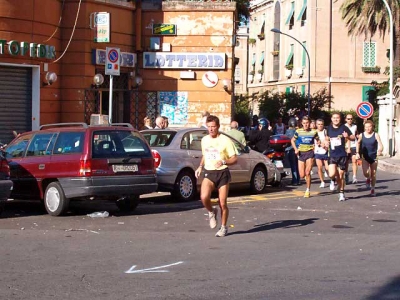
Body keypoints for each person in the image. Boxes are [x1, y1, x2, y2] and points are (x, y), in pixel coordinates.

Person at [195, 115, 238, 237]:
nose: (211, 129)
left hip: (222, 172)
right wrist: (200, 166)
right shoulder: (205, 140)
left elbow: (234, 158)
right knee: (204, 197)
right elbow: (205, 155)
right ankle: (211, 211)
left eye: (213, 127)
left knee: (222, 203)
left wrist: (224, 161)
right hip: (209, 172)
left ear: (218, 127)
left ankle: (224, 227)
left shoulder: (225, 140)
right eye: (209, 127)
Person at [325, 112, 355, 201]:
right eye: (334, 118)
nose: (336, 119)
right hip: (333, 155)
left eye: (337, 118)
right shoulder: (329, 128)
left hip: (342, 155)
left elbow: (353, 137)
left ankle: (341, 193)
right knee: (331, 174)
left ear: (340, 119)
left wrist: (348, 136)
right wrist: (326, 142)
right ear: (331, 119)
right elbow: (327, 138)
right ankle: (332, 180)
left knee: (341, 176)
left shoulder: (344, 127)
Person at [291, 116, 319, 197]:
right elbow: (292, 140)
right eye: (304, 123)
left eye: (307, 123)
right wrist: (295, 149)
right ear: (301, 124)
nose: (306, 125)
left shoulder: (314, 132)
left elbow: (318, 140)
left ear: (309, 123)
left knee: (307, 172)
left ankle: (307, 190)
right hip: (301, 153)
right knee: (302, 175)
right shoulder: (298, 131)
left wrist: (321, 144)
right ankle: (307, 178)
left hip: (310, 153)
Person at [355, 120, 383, 196]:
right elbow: (358, 143)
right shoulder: (362, 135)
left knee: (373, 174)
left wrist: (380, 150)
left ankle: (372, 189)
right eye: (366, 127)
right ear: (364, 127)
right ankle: (367, 178)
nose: (368, 128)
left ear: (372, 127)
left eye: (369, 127)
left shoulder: (376, 135)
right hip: (365, 157)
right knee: (366, 173)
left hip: (374, 157)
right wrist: (357, 153)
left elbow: (380, 144)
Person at [285, 117, 300, 185]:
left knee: (293, 165)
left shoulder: (288, 131)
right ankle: (298, 180)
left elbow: (285, 139)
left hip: (290, 149)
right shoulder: (298, 131)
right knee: (297, 165)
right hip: (298, 149)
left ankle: (294, 180)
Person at [314, 119, 329, 188]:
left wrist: (326, 145)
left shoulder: (325, 131)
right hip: (317, 152)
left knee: (327, 168)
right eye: (319, 124)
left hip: (325, 151)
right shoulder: (314, 132)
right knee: (319, 167)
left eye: (321, 124)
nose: (320, 126)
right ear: (316, 125)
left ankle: (332, 179)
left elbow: (327, 139)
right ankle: (322, 181)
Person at [344, 114, 359, 184]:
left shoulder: (355, 126)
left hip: (354, 146)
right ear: (345, 119)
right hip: (346, 146)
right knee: (346, 163)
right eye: (348, 119)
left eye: (351, 119)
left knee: (354, 161)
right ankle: (346, 174)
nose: (350, 120)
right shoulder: (343, 127)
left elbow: (356, 134)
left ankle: (354, 177)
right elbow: (346, 138)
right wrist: (348, 148)